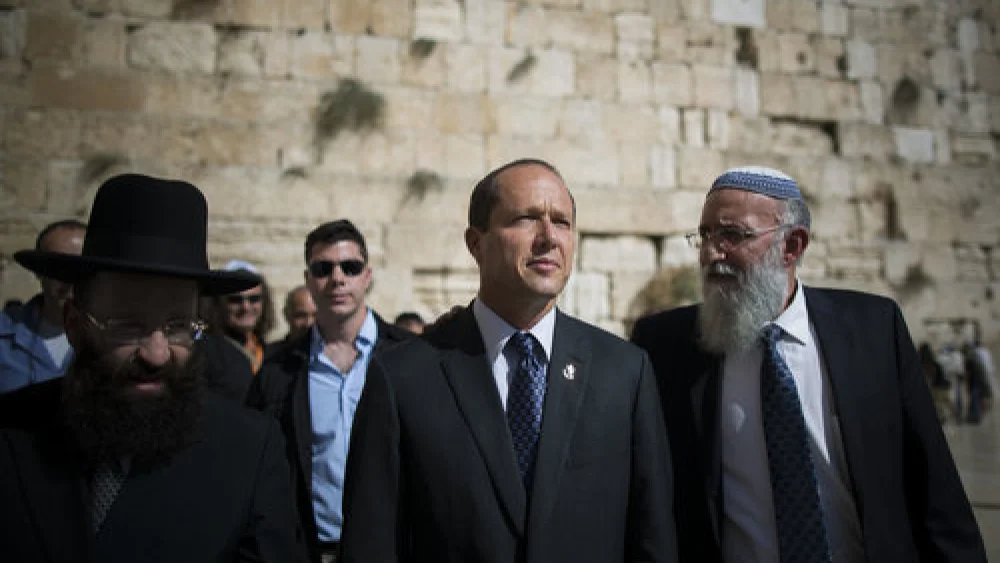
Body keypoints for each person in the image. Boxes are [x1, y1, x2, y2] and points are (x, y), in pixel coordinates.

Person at [631, 166, 985, 562]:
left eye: (733, 235)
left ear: (792, 246)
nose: (712, 253)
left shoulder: (872, 332)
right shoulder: (666, 346)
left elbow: (935, 493)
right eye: (706, 235)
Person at [340, 159, 677, 563]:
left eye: (563, 222)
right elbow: (372, 544)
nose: (549, 237)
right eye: (526, 219)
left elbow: (652, 537)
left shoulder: (624, 372)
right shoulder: (404, 378)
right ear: (476, 243)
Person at [0, 174, 309, 562]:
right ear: (76, 324)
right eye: (128, 325)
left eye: (178, 326)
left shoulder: (248, 452)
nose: (157, 353)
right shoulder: (12, 434)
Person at [246, 219, 412, 563]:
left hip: (392, 549)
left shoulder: (409, 357)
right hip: (310, 550)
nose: (337, 278)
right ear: (308, 281)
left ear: (366, 276)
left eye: (349, 267)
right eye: (323, 269)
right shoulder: (279, 370)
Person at [0, 219, 86, 393]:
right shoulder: (3, 337)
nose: (70, 280)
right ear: (38, 271)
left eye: (81, 268)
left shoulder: (115, 341)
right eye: (59, 267)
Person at [208, 260, 275, 374]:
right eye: (235, 300)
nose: (246, 307)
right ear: (219, 303)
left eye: (254, 299)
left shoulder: (271, 354)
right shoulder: (208, 354)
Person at [919, 342, 953, 423]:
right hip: (943, 384)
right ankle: (956, 415)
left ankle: (942, 418)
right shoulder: (934, 361)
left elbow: (931, 374)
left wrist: (929, 383)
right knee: (946, 401)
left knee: (938, 403)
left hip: (937, 385)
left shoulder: (927, 362)